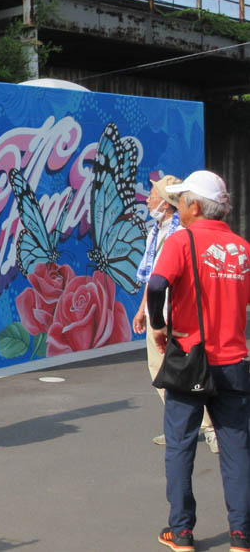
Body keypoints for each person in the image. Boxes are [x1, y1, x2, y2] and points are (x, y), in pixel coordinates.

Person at [147, 170, 250, 552]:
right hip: (234, 362)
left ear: (195, 206)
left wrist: (158, 325)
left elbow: (157, 284)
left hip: (190, 359)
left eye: (181, 201)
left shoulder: (182, 240)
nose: (178, 208)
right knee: (237, 449)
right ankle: (241, 535)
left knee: (180, 446)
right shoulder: (242, 248)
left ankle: (182, 532)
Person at [132, 175, 218, 452]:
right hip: (157, 312)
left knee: (192, 371)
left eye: (153, 195)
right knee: (160, 371)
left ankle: (211, 428)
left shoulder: (182, 234)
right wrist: (143, 309)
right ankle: (177, 426)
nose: (148, 200)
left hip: (179, 313)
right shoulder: (155, 232)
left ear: (166, 203)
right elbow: (152, 277)